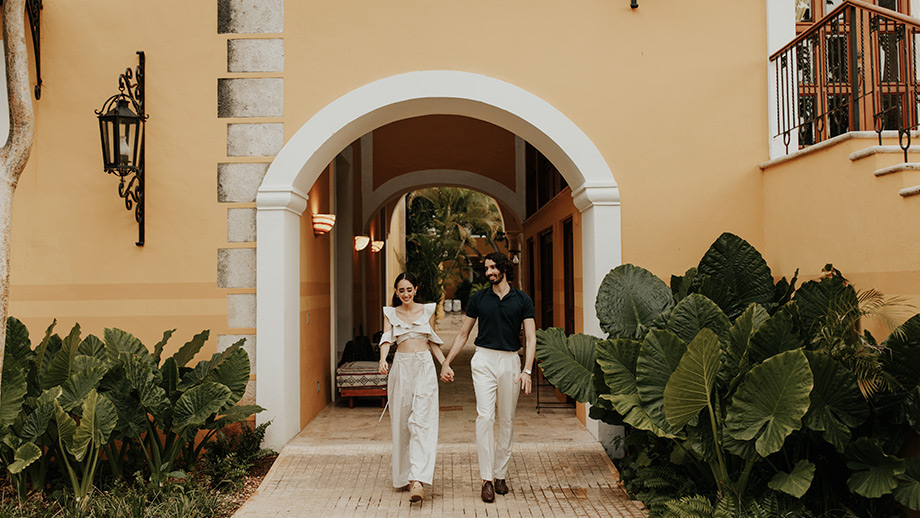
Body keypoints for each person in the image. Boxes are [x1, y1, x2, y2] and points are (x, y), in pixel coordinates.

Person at [439, 252, 535, 503]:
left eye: (493, 267)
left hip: (511, 360)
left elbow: (531, 337)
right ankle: (487, 480)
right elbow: (463, 334)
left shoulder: (522, 300)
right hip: (483, 359)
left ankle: (500, 473)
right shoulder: (478, 298)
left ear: (504, 268)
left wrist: (527, 370)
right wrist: (446, 361)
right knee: (485, 416)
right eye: (487, 268)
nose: (489, 272)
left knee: (507, 419)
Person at [378, 273, 447, 503]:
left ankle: (417, 479)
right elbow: (387, 339)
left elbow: (433, 341)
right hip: (401, 368)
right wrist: (383, 359)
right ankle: (405, 476)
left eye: (409, 289)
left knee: (422, 422)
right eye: (401, 290)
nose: (405, 294)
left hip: (424, 368)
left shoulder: (428, 310)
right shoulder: (390, 313)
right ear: (396, 292)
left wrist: (444, 365)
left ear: (416, 289)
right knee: (402, 422)